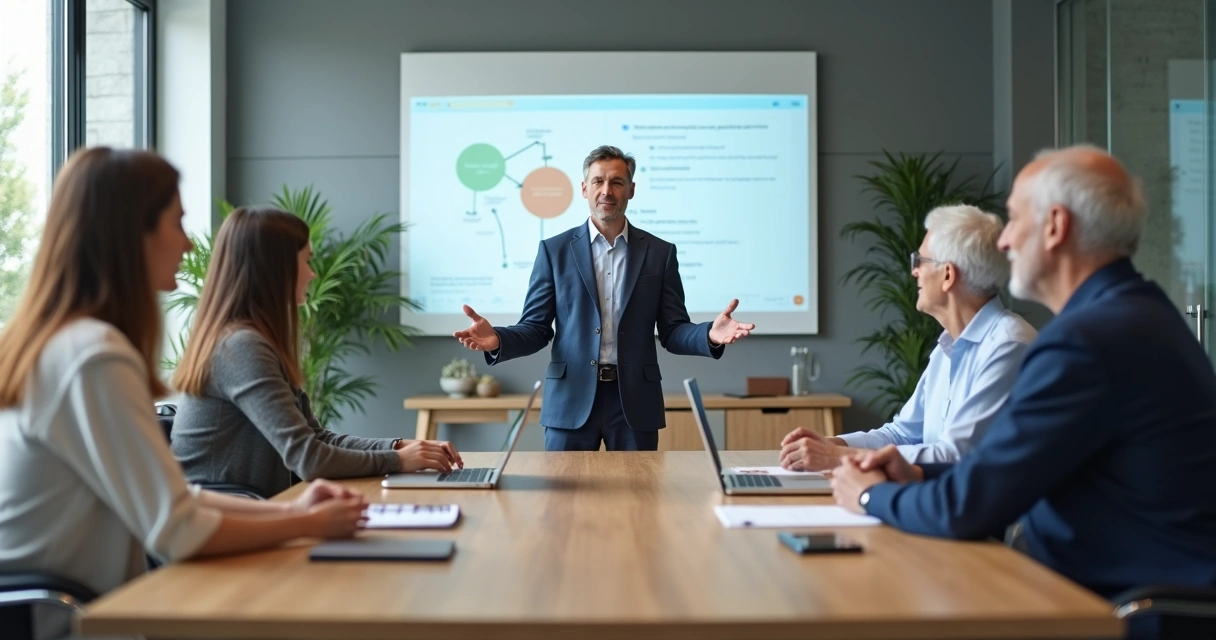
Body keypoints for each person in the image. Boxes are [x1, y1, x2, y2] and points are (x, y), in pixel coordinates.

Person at [830, 145, 1216, 600]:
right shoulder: (1138, 314)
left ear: (1055, 226)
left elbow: (970, 508)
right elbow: (1004, 475)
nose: (1004, 242)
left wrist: (868, 495)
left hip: (1119, 611)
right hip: (1118, 592)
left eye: (1013, 219)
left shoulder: (1086, 342)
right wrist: (918, 475)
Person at [0, 148, 366, 600]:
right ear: (132, 234)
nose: (189, 245)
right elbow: (177, 528)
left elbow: (177, 499)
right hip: (74, 620)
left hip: (75, 611)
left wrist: (296, 513)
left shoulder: (65, 345)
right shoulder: (92, 356)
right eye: (177, 223)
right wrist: (305, 523)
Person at [455, 145, 755, 451]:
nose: (606, 191)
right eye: (598, 181)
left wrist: (709, 334)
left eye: (617, 182)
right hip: (570, 401)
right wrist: (498, 340)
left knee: (639, 484)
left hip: (634, 404)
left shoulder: (660, 253)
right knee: (562, 485)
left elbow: (673, 330)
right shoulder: (554, 251)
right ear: (585, 188)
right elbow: (536, 328)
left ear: (631, 190)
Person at [171, 207, 462, 499]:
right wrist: (397, 460)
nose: (313, 274)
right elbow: (309, 459)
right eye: (307, 260)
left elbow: (316, 439)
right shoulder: (240, 347)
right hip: (226, 517)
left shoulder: (251, 340)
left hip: (252, 509)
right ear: (277, 268)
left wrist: (397, 448)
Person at [779, 205, 1036, 470]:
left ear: (948, 275)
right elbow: (902, 434)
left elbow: (956, 456)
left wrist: (837, 457)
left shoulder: (1008, 346)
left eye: (920, 261)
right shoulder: (947, 347)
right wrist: (834, 444)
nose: (914, 271)